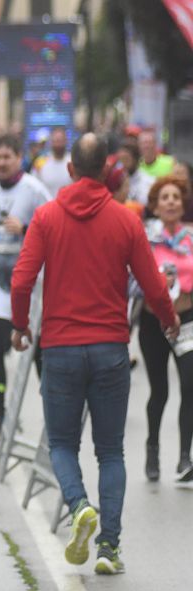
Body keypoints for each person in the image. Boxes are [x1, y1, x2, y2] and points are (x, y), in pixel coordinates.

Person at [11, 133, 179, 575]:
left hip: (61, 348)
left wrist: (19, 326)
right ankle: (108, 547)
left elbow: (21, 281)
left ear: (70, 168)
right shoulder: (125, 221)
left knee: (63, 443)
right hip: (110, 349)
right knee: (111, 452)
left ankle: (79, 504)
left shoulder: (46, 218)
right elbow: (154, 284)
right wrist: (168, 318)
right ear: (106, 169)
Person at [0, 135, 52, 442]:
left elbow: (52, 227)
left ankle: (53, 417)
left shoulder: (35, 190)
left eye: (8, 156)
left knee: (38, 354)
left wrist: (25, 230)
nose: (2, 162)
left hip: (31, 285)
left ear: (19, 157)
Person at [138, 176, 193, 483]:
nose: (171, 201)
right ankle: (152, 449)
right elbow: (134, 278)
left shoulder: (191, 239)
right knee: (160, 391)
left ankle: (185, 457)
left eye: (176, 197)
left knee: (190, 383)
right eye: (164, 197)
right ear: (155, 207)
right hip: (153, 322)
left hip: (186, 319)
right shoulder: (146, 240)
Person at [33, 127, 72, 197]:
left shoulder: (73, 162)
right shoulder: (40, 162)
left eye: (60, 140)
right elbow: (33, 187)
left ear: (66, 141)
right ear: (50, 142)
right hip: (47, 205)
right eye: (55, 141)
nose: (58, 144)